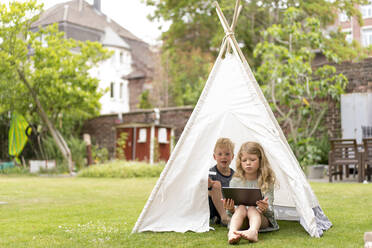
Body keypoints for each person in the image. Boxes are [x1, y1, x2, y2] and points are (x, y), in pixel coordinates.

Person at [223, 141, 279, 244]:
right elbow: (231, 213)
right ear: (240, 162)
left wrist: (265, 208)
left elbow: (270, 211)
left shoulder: (266, 181)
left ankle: (253, 232)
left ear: (260, 161)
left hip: (261, 219)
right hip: (242, 220)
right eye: (244, 160)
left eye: (252, 160)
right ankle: (232, 232)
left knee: (252, 209)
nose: (248, 163)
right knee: (241, 207)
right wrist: (230, 209)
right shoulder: (235, 181)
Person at [208, 137, 235, 226]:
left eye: (227, 154)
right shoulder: (211, 172)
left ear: (232, 156)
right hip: (213, 207)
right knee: (216, 185)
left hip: (229, 207)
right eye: (220, 154)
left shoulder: (235, 175)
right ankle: (223, 218)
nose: (223, 157)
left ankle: (227, 217)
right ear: (214, 157)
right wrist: (209, 185)